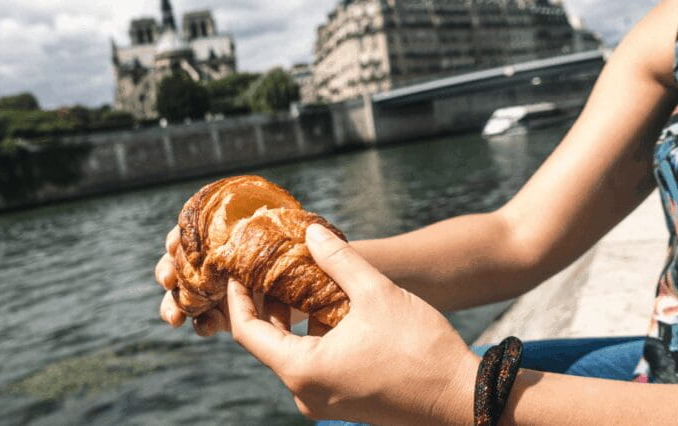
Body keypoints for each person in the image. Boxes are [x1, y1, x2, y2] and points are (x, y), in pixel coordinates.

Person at [154, 1, 678, 423]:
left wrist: (457, 392)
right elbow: (518, 239)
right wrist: (302, 275)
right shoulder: (661, 34)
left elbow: (456, 385)